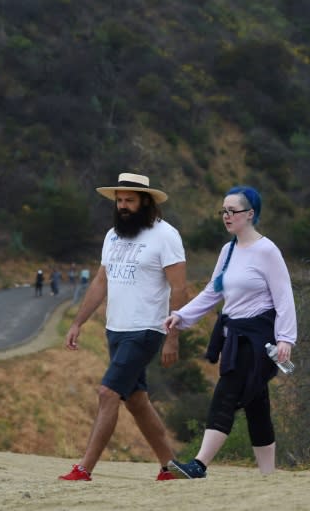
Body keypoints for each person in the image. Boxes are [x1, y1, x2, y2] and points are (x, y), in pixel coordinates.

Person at [58, 172, 188, 482]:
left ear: (146, 202)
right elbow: (101, 282)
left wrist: (173, 338)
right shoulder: (112, 236)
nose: (123, 206)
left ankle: (84, 468)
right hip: (115, 329)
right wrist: (78, 322)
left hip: (146, 329)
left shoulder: (166, 235)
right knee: (137, 400)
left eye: (129, 200)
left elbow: (180, 290)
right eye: (119, 200)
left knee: (107, 393)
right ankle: (170, 467)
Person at [163, 185, 297, 478]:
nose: (226, 216)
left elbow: (284, 295)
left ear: (250, 214)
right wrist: (181, 317)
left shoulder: (267, 251)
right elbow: (213, 292)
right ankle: (269, 475)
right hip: (233, 336)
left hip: (259, 338)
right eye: (223, 211)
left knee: (227, 394)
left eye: (232, 211)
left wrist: (286, 338)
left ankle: (198, 465)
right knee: (256, 404)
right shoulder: (228, 250)